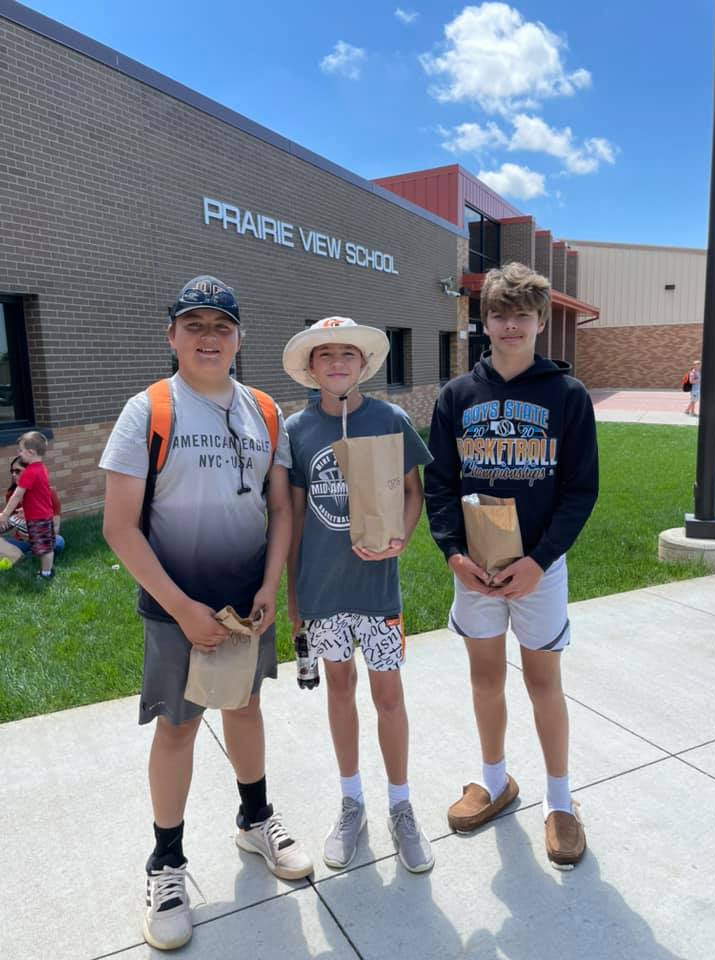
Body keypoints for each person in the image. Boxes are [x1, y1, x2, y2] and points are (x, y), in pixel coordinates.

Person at [100, 275, 312, 952]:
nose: (209, 337)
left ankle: (256, 820)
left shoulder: (265, 412)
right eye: (194, 325)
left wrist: (272, 584)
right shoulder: (149, 410)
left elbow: (281, 508)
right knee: (178, 727)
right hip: (176, 604)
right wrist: (184, 609)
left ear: (239, 338)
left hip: (246, 599)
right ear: (172, 337)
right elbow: (119, 528)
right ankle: (165, 864)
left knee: (245, 709)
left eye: (221, 326)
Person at [424, 262, 598, 870]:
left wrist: (540, 560)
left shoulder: (567, 396)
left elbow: (581, 490)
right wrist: (452, 553)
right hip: (477, 567)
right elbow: (439, 484)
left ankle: (560, 801)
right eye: (500, 313)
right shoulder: (456, 396)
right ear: (484, 320)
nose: (510, 325)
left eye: (523, 314)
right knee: (485, 679)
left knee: (543, 681)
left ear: (541, 321)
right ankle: (495, 780)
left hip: (537, 570)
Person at [283, 316, 435, 874]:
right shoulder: (297, 430)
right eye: (326, 356)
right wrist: (295, 600)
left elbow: (416, 491)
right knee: (339, 689)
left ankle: (401, 804)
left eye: (348, 353)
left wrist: (401, 540)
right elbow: (294, 514)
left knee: (388, 697)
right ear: (312, 368)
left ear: (364, 363)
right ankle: (353, 802)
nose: (338, 363)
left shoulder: (388, 418)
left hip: (376, 590)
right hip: (322, 590)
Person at [0, 432, 56, 578]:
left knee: (45, 548)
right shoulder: (42, 468)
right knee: (46, 546)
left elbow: (17, 494)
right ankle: (47, 570)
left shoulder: (30, 472)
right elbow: (39, 494)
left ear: (31, 452)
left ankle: (46, 573)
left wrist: (5, 514)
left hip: (38, 517)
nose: (19, 453)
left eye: (20, 450)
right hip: (43, 515)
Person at [3, 455, 65, 558]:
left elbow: (56, 527)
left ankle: (22, 555)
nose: (14, 474)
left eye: (17, 471)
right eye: (12, 471)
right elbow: (10, 523)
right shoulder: (11, 495)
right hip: (21, 540)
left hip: (42, 538)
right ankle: (30, 554)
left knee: (59, 541)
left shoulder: (50, 493)